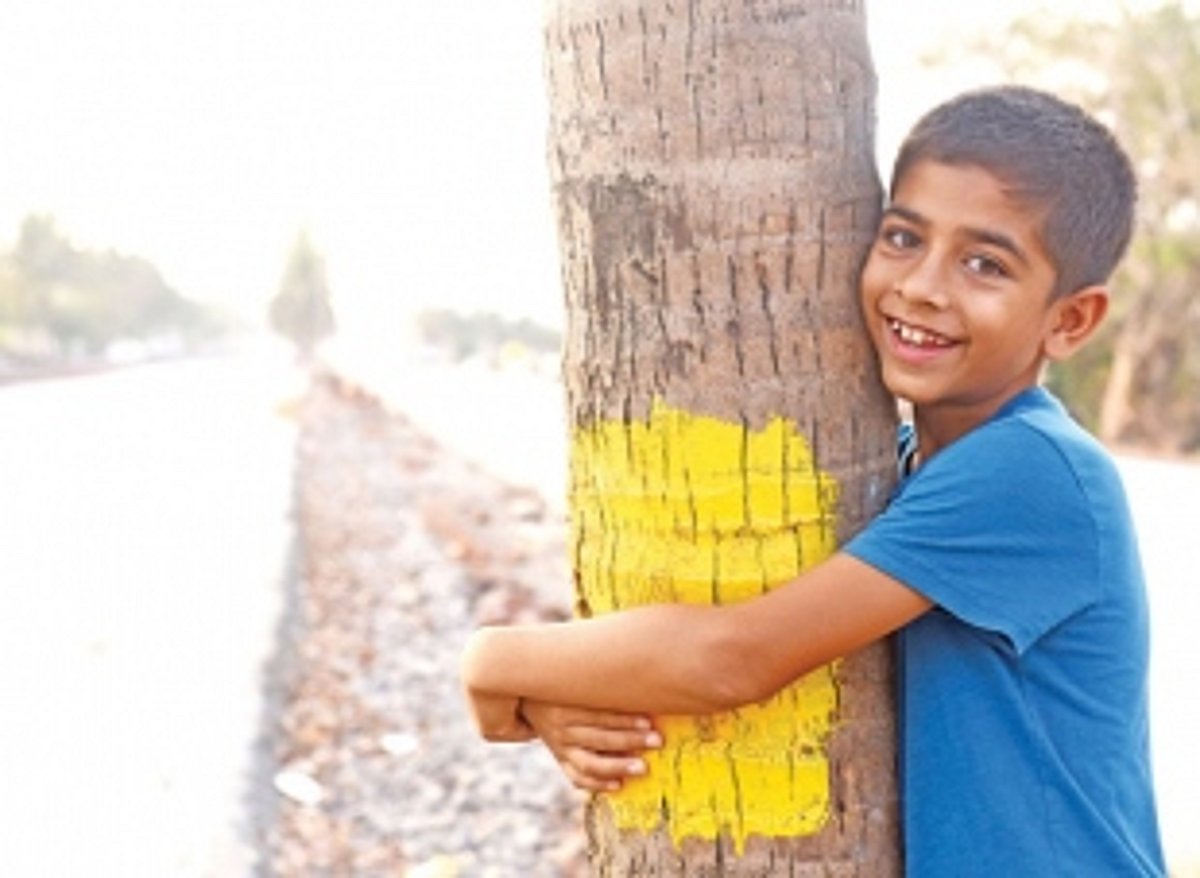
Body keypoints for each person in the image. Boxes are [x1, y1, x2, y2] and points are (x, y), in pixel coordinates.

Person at [460, 85, 1166, 876]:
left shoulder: (1029, 470)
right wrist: (569, 699)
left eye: (984, 263)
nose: (924, 285)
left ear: (1069, 321)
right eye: (903, 237)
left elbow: (736, 656)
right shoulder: (910, 467)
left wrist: (496, 660)